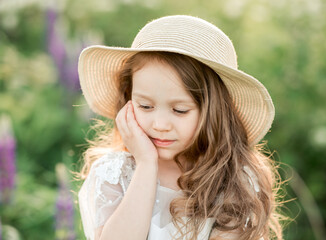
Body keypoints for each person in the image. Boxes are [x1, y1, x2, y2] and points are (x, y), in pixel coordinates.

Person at [77, 15, 284, 240]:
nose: (160, 125)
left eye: (180, 110)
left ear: (213, 112)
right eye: (145, 106)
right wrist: (146, 164)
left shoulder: (232, 180)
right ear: (128, 99)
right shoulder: (113, 174)